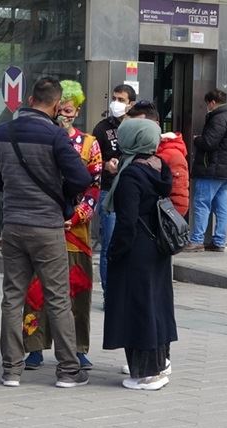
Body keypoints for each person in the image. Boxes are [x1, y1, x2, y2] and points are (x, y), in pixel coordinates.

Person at [0, 76, 93, 388]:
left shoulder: (1, 132)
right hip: (47, 227)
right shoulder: (55, 136)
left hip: (14, 225)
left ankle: (11, 370)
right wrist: (60, 193)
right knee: (58, 298)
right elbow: (81, 178)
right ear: (54, 104)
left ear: (31, 98)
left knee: (12, 297)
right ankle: (67, 371)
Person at [22, 80, 102, 371]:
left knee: (77, 289)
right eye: (61, 110)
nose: (65, 115)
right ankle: (33, 346)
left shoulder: (90, 144)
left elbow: (94, 186)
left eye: (70, 110)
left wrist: (79, 215)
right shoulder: (43, 137)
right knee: (36, 288)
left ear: (77, 110)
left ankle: (78, 347)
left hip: (76, 231)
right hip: (44, 223)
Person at [101, 118, 177, 391]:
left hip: (137, 250)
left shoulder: (131, 174)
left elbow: (127, 221)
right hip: (157, 247)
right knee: (155, 304)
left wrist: (114, 252)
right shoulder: (159, 165)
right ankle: (160, 363)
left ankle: (147, 374)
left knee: (138, 308)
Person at [92, 84, 136, 306]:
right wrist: (105, 164)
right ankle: (110, 292)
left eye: (122, 99)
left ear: (131, 104)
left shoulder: (137, 125)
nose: (116, 103)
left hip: (132, 192)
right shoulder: (102, 128)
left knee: (130, 241)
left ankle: (126, 289)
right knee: (109, 242)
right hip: (109, 190)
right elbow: (92, 158)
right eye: (115, 98)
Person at [184, 89, 227, 252]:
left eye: (207, 104)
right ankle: (219, 241)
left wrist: (197, 140)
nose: (207, 107)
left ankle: (196, 240)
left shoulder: (218, 119)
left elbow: (209, 143)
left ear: (212, 102)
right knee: (222, 206)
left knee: (202, 204)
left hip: (212, 169)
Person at [124, 100, 189, 217]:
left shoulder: (173, 155)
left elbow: (180, 201)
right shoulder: (133, 151)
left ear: (156, 125)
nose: (137, 131)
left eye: (141, 125)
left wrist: (164, 225)